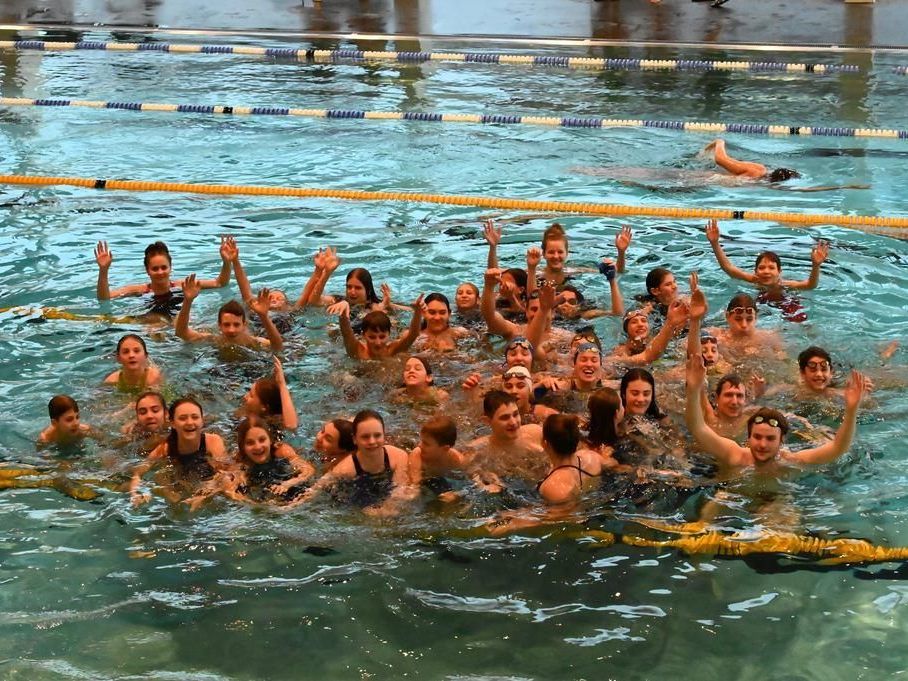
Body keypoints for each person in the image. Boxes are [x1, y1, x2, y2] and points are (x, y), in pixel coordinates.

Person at [685, 353, 867, 471]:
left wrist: (851, 411)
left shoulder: (790, 461)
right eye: (757, 437)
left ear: (782, 441)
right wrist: (693, 389)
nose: (762, 444)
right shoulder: (736, 455)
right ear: (748, 439)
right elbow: (698, 428)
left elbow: (837, 448)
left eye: (770, 438)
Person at [294, 410, 411, 516]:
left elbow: (401, 490)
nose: (372, 441)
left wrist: (388, 508)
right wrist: (289, 508)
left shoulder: (398, 456)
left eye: (377, 435)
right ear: (355, 439)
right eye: (365, 437)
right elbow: (316, 489)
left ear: (384, 435)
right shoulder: (344, 469)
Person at [129, 397, 228, 506]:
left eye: (195, 417)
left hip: (206, 482)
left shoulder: (213, 442)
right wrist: (136, 492)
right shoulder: (165, 449)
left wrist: (203, 494)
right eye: (182, 418)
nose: (190, 422)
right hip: (180, 475)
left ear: (202, 421)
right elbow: (138, 472)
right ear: (173, 424)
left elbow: (226, 473)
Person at [94, 238, 232, 306]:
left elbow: (220, 283)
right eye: (155, 269)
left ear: (170, 267)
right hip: (152, 319)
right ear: (147, 271)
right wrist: (103, 270)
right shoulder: (140, 290)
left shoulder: (182, 285)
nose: (160, 272)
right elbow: (105, 297)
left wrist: (227, 262)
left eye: (164, 267)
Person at [705, 219, 830, 291]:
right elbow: (728, 268)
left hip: (785, 302)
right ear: (755, 271)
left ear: (779, 272)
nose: (766, 271)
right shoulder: (753, 280)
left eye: (771, 267)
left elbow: (810, 285)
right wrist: (715, 243)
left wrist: (816, 265)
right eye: (762, 267)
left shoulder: (784, 285)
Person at [217, 416, 315, 504]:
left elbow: (308, 470)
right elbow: (229, 490)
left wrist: (288, 484)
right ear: (242, 447)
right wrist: (252, 504)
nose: (258, 447)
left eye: (262, 440)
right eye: (250, 443)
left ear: (270, 440)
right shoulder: (240, 461)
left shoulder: (281, 450)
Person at [175, 275, 284, 351]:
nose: (231, 330)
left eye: (236, 324)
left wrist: (264, 316)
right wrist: (188, 301)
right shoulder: (213, 340)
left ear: (244, 324)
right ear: (219, 325)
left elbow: (278, 346)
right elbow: (181, 333)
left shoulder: (254, 342)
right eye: (226, 325)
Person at [468, 391, 547, 488]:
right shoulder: (478, 450)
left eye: (515, 414)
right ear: (487, 421)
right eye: (504, 418)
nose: (513, 422)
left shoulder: (536, 433)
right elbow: (470, 480)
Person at [536, 414, 603, 505]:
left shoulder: (553, 486)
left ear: (545, 443)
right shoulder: (592, 458)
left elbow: (561, 517)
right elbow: (619, 467)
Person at [334, 296, 424, 360]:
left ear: (389, 334)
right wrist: (343, 312)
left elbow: (413, 334)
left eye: (382, 337)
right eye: (372, 337)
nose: (378, 342)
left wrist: (418, 311)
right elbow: (346, 333)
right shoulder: (358, 351)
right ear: (363, 335)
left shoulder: (393, 350)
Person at [408, 415, 467, 496]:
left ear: (445, 448)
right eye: (421, 440)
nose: (420, 445)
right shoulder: (417, 455)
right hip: (427, 479)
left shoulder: (457, 461)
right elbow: (414, 484)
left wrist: (455, 494)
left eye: (426, 444)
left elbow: (467, 485)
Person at [238, 357, 298, 430]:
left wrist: (282, 384)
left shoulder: (271, 426)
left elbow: (291, 426)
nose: (245, 396)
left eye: (251, 396)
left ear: (264, 407)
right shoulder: (242, 415)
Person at [705, 138, 800, 183]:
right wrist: (719, 142)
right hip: (705, 178)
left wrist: (720, 142)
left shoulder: (758, 174)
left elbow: (721, 159)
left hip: (706, 180)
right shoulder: (756, 173)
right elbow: (720, 159)